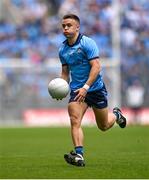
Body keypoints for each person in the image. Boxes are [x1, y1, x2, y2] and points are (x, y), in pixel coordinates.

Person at [58, 14, 126, 167]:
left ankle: (116, 114)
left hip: (95, 89)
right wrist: (61, 88)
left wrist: (86, 87)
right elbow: (64, 73)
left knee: (103, 126)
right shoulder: (62, 49)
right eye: (63, 26)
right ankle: (79, 155)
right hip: (77, 90)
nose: (66, 28)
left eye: (69, 25)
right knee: (74, 120)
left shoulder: (87, 43)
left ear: (77, 27)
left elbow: (96, 67)